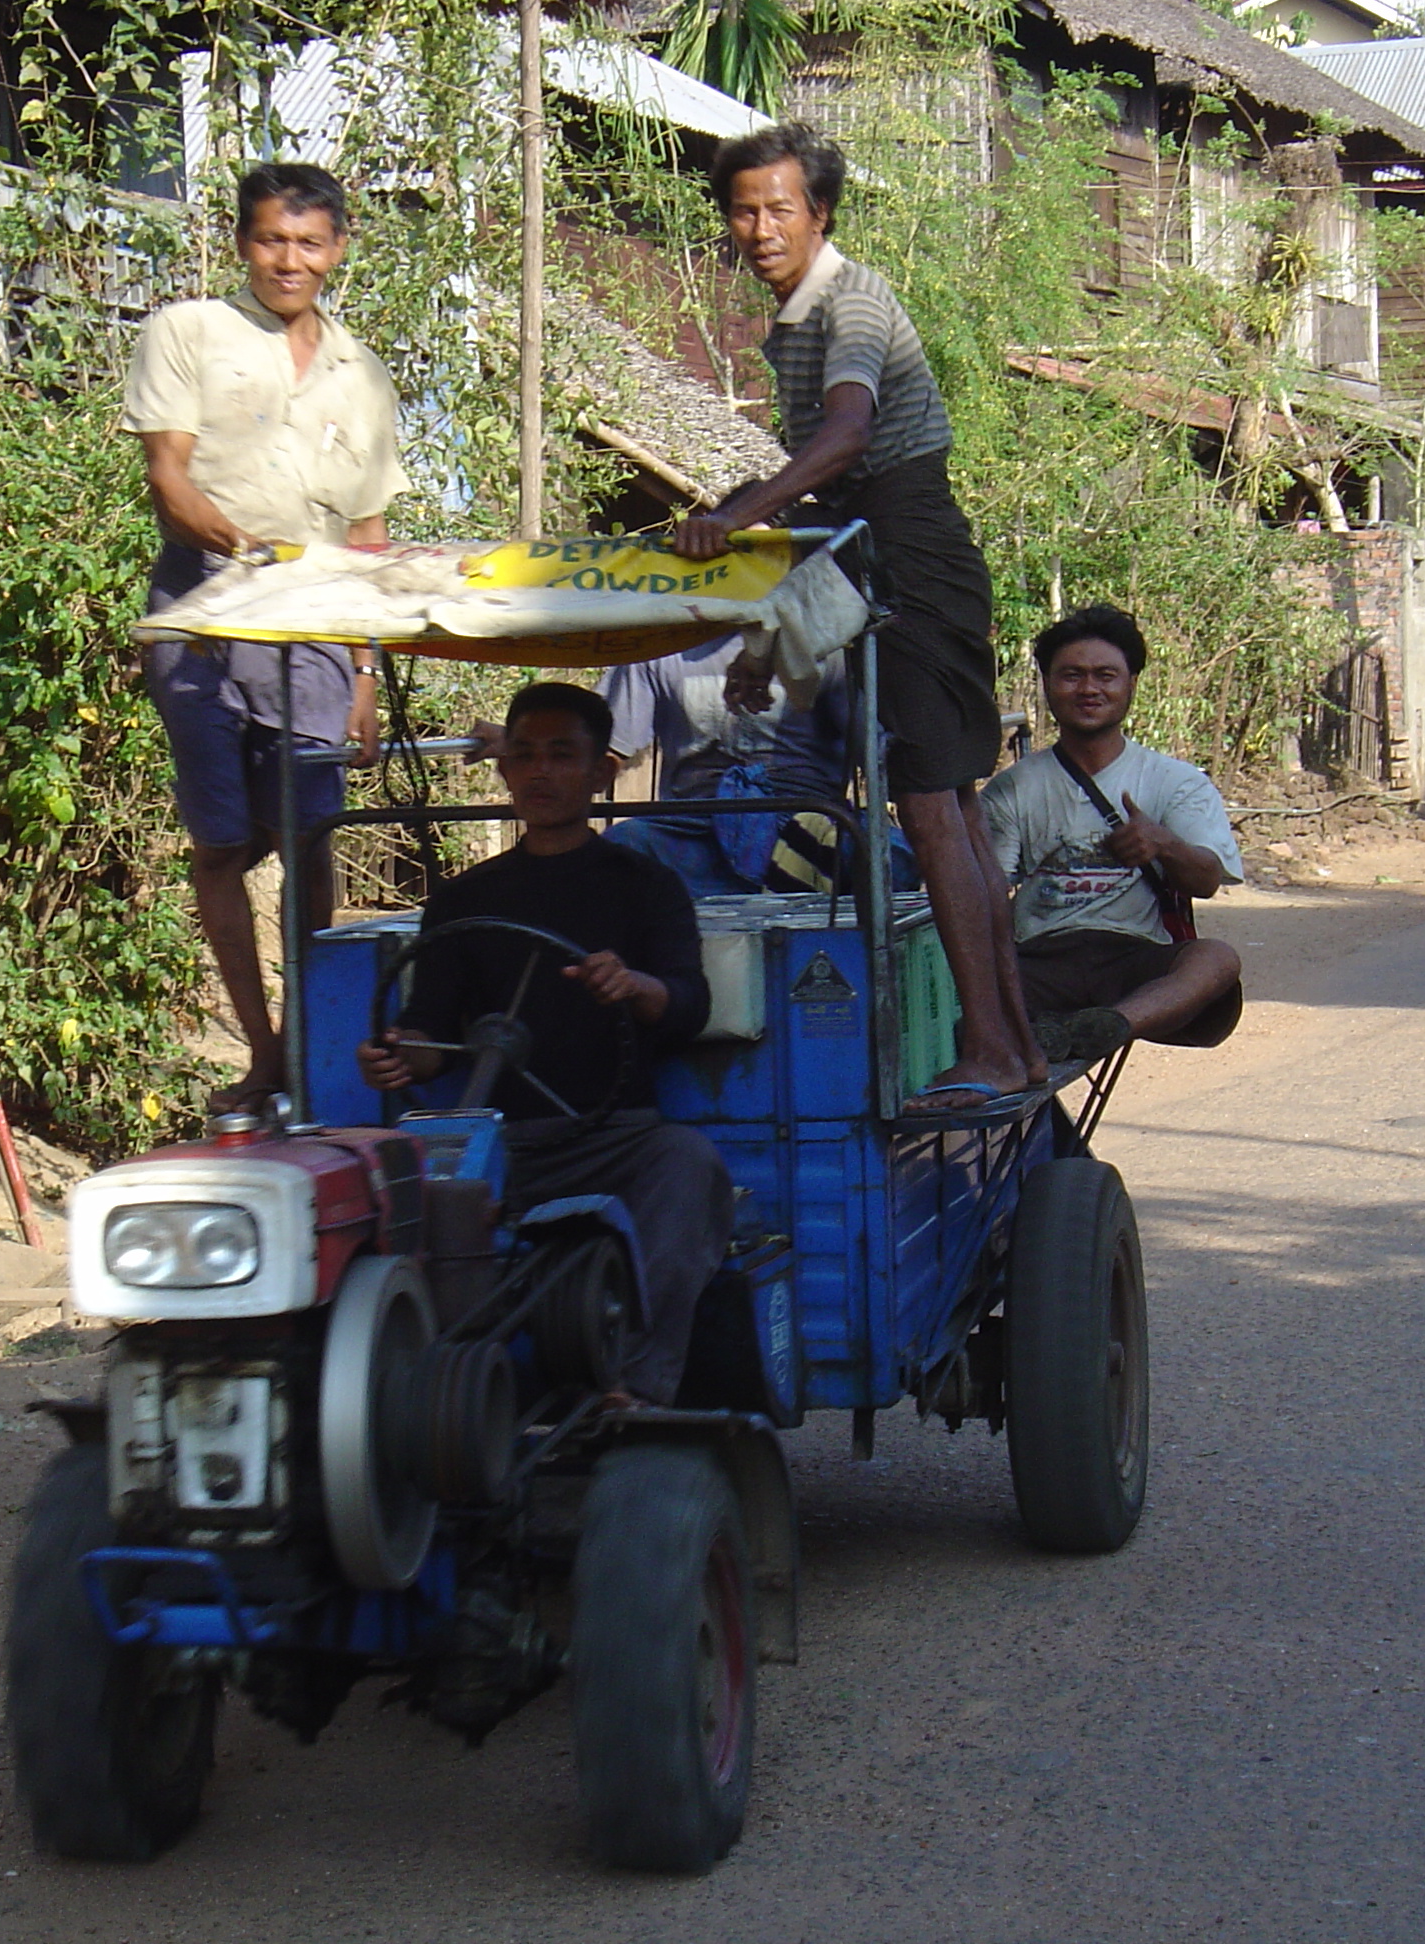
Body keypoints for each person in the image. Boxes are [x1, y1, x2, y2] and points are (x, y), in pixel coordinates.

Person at [668, 121, 1043, 1109]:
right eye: (743, 211)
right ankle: (1013, 1043)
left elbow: (848, 439)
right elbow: (835, 517)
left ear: (819, 213)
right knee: (951, 811)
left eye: (779, 208)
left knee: (933, 807)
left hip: (912, 552)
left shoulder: (852, 302)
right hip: (875, 554)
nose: (760, 227)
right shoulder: (791, 322)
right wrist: (767, 644)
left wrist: (737, 515)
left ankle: (997, 1051)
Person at [357, 683, 733, 1405]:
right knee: (387, 1188)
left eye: (562, 756)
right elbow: (431, 1034)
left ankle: (634, 1388)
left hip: (618, 1139)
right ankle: (420, 1397)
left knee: (689, 1166)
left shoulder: (647, 886)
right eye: (524, 756)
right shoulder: (462, 901)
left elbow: (688, 1003)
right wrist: (397, 1054)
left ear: (601, 771)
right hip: (498, 1147)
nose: (539, 773)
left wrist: (633, 986)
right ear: (503, 771)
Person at [123, 162, 409, 1111]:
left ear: (339, 249)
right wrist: (247, 553)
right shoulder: (189, 332)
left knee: (309, 833)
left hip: (322, 618)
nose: (291, 261)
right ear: (243, 243)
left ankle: (310, 1041)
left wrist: (366, 670)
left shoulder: (361, 372)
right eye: (272, 241)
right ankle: (261, 1053)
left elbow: (368, 537)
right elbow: (169, 480)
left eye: (310, 243)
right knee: (220, 842)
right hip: (204, 611)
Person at [981, 607, 1244, 1063]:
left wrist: (1163, 844)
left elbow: (1207, 880)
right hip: (1039, 959)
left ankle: (1109, 1026)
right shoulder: (1013, 789)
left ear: (1131, 685)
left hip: (1134, 962)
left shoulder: (1175, 781)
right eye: (1071, 676)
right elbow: (986, 895)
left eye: (1105, 675)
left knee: (1216, 958)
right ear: (1046, 684)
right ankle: (1055, 1035)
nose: (1088, 689)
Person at [597, 634, 902, 897]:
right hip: (693, 828)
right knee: (619, 848)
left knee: (893, 853)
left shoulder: (827, 646)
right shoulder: (656, 646)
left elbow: (876, 753)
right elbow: (609, 749)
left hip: (806, 823)